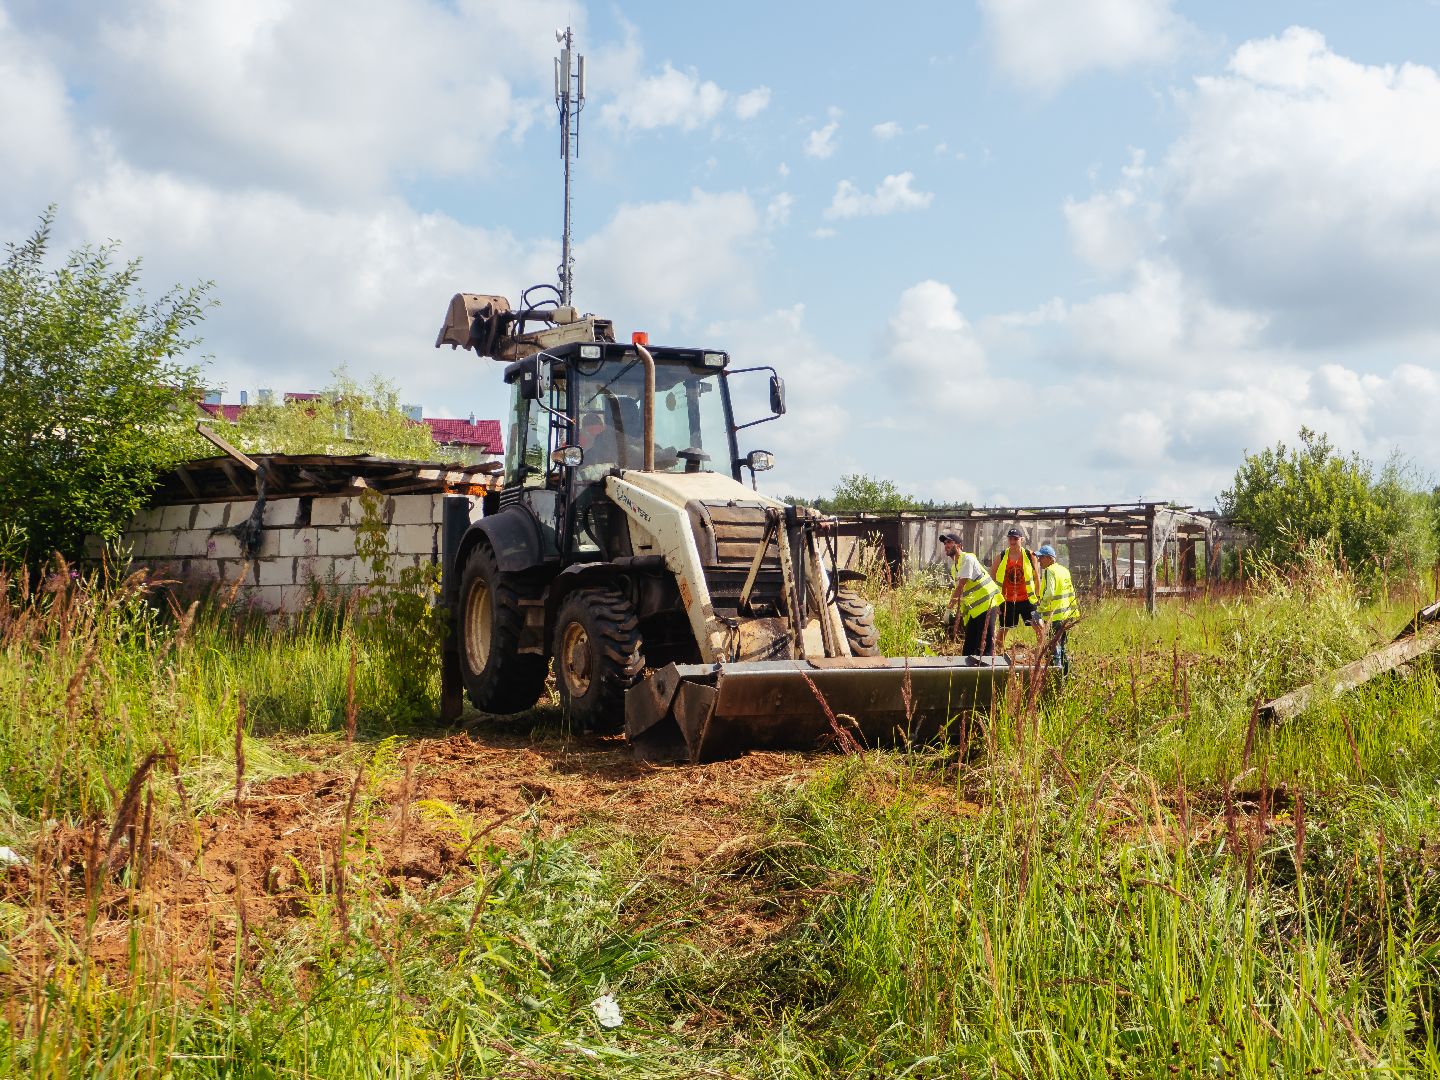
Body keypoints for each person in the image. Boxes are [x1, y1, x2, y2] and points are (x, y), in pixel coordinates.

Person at [940, 532, 1002, 656]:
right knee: (970, 645)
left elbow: (961, 586)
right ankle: (968, 672)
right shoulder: (955, 567)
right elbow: (964, 592)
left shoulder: (968, 558)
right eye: (945, 543)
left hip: (987, 603)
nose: (946, 545)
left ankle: (988, 672)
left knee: (985, 643)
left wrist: (949, 609)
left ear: (959, 545)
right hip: (975, 608)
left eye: (949, 542)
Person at [990, 528, 1042, 652]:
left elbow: (1037, 577)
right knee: (1003, 628)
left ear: (1021, 540)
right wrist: (995, 601)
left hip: (1027, 599)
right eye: (1010, 539)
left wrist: (1038, 597)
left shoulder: (1030, 555)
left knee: (1039, 625)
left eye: (1016, 539)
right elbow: (991, 578)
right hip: (1007, 600)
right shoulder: (1001, 556)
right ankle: (999, 653)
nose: (1013, 541)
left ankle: (1040, 651)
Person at [1035, 543, 1080, 675]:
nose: (1039, 561)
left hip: (1054, 617)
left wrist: (1040, 610)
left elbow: (1050, 593)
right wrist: (1074, 612)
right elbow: (1071, 593)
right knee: (1063, 647)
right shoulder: (1064, 571)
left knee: (1053, 648)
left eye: (1041, 557)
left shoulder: (1050, 571)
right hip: (1066, 616)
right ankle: (1066, 674)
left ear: (1049, 558)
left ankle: (1056, 676)